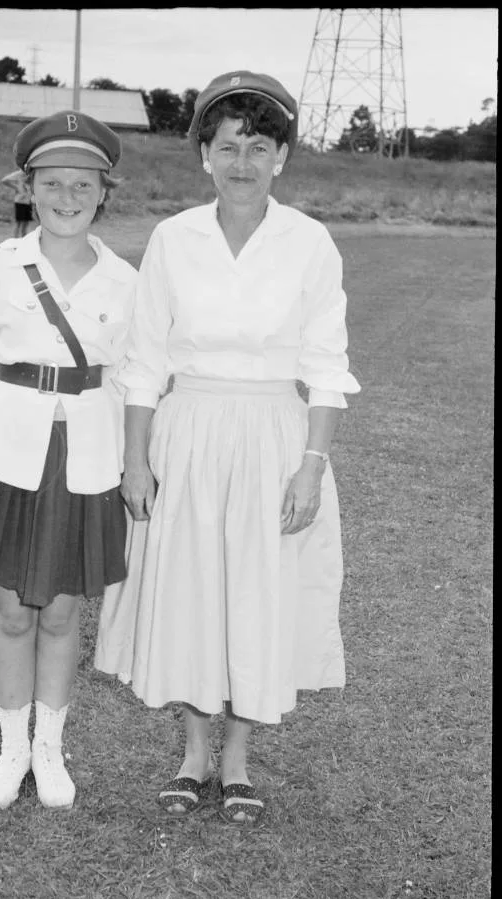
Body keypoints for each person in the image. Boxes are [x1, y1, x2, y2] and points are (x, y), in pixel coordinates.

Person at [94, 71, 361, 824]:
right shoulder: (173, 238)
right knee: (189, 591)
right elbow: (144, 362)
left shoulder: (308, 242)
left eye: (259, 146)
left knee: (256, 594)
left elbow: (324, 366)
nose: (242, 161)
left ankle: (237, 762)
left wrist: (309, 467)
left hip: (274, 438)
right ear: (203, 155)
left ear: (281, 157)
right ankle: (190, 755)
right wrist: (136, 460)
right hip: (188, 435)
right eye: (226, 146)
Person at [0, 111, 137, 811]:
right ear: (28, 187)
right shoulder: (0, 265)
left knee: (60, 614)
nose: (67, 196)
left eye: (83, 183)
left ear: (105, 191)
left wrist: (137, 465)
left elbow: (136, 382)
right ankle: (10, 750)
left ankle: (50, 750)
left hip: (85, 457)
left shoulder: (126, 279)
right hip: (1, 451)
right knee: (11, 612)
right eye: (51, 183)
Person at [0, 168, 34, 237]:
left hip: (28, 201)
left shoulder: (32, 173)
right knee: (18, 223)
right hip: (20, 202)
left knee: (25, 224)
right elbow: (4, 180)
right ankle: (15, 242)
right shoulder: (19, 174)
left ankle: (24, 241)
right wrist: (16, 187)